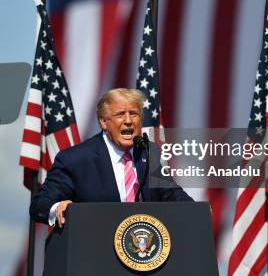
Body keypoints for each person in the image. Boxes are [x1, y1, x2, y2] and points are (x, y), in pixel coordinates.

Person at [30, 87, 193, 227]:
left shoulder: (148, 153)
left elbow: (171, 193)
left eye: (134, 114)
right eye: (121, 114)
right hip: (95, 252)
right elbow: (40, 205)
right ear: (103, 122)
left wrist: (197, 210)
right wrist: (58, 207)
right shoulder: (75, 159)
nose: (128, 121)